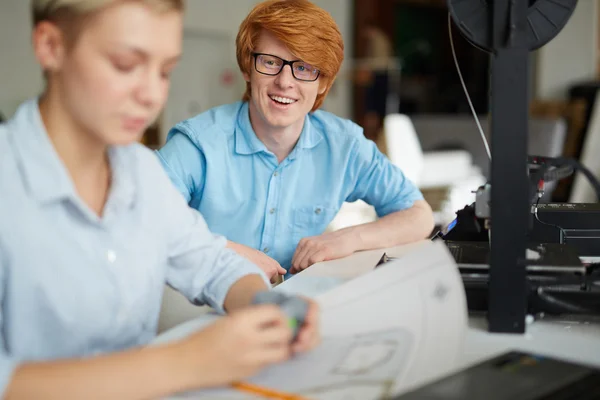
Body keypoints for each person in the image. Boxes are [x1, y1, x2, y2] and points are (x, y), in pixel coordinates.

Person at [0, 1, 319, 398]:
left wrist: (264, 309)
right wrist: (187, 361)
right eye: (125, 65)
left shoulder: (140, 171)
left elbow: (212, 262)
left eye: (165, 71)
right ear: (50, 46)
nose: (153, 96)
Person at [157, 0, 435, 281]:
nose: (284, 82)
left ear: (323, 82)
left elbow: (418, 215)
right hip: (204, 313)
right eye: (270, 62)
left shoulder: (344, 145)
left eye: (303, 68)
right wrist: (226, 252)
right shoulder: (197, 143)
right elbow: (141, 218)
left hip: (298, 308)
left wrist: (347, 238)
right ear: (247, 69)